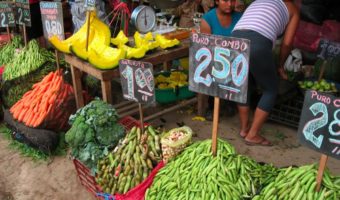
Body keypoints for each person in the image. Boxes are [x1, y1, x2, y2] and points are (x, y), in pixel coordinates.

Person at [231, 0, 300, 146]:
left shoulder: (258, 1)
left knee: (244, 84)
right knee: (270, 89)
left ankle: (244, 129)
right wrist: (280, 66)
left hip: (234, 39)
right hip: (258, 42)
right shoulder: (293, 9)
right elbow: (287, 43)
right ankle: (253, 135)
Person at [200, 0, 243, 120]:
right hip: (215, 59)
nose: (229, 4)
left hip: (234, 60)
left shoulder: (241, 18)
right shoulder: (207, 19)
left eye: (232, 0)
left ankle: (230, 102)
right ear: (217, 1)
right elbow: (206, 48)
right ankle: (212, 105)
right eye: (225, 0)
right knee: (213, 68)